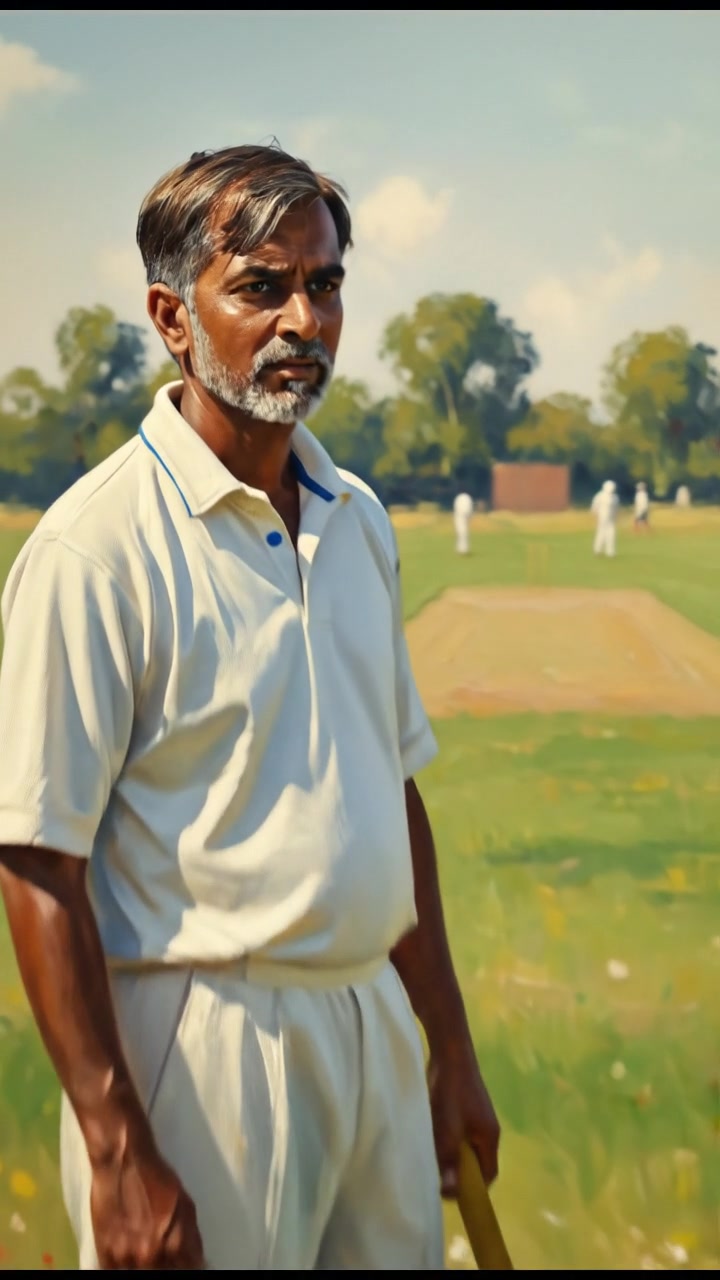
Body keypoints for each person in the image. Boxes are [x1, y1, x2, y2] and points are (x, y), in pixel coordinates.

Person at [0, 145, 500, 1271]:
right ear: (173, 316)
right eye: (262, 287)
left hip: (370, 1021)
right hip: (208, 1044)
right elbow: (37, 860)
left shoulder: (357, 516)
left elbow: (391, 787)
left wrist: (447, 1043)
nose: (304, 321)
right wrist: (118, 1144)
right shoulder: (95, 548)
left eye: (322, 285)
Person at [591, 478, 619, 557]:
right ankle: (597, 549)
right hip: (602, 518)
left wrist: (616, 517)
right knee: (601, 533)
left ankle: (610, 551)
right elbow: (594, 507)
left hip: (611, 519)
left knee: (611, 534)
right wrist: (595, 515)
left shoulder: (615, 497)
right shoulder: (600, 496)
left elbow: (616, 509)